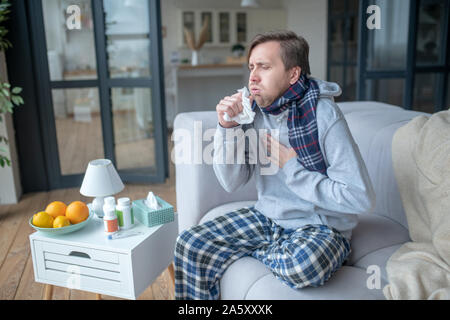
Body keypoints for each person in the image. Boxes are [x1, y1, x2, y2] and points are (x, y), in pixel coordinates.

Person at [174, 30, 375, 300]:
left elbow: (360, 197)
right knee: (191, 244)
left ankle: (270, 249)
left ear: (293, 75)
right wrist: (227, 127)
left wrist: (293, 168)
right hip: (268, 217)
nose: (253, 77)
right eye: (251, 67)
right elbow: (231, 182)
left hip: (321, 226)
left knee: (303, 266)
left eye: (264, 67)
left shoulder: (324, 115)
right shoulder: (253, 110)